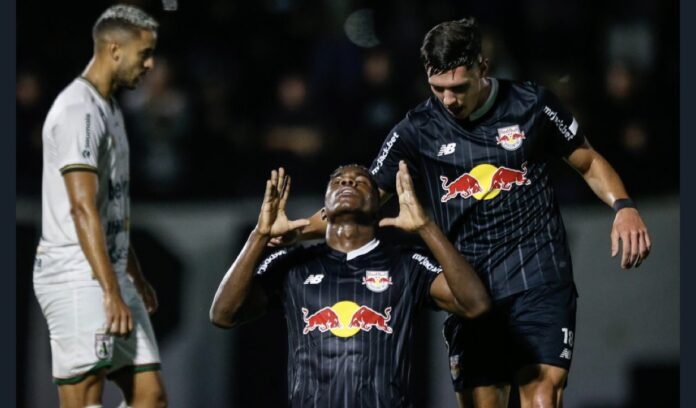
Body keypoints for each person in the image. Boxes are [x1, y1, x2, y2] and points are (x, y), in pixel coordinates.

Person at [295, 17, 652, 408]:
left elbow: (587, 161)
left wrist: (624, 206)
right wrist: (293, 230)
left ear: (483, 68)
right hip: (470, 291)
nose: (448, 100)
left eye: (458, 88)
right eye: (438, 89)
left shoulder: (532, 104)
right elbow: (358, 206)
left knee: (542, 397)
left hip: (539, 277)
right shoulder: (416, 130)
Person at [210, 163, 491, 407]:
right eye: (338, 181)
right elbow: (223, 314)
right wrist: (259, 236)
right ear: (324, 209)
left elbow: (475, 303)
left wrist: (426, 227)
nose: (348, 182)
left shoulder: (407, 264)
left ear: (377, 203)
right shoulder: (292, 266)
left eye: (360, 182)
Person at [33, 5, 167, 407]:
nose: (150, 64)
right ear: (113, 50)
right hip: (77, 276)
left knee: (151, 396)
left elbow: (110, 210)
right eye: (144, 54)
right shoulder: (78, 112)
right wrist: (110, 290)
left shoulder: (108, 107)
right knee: (85, 401)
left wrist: (132, 275)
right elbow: (81, 209)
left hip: (108, 273)